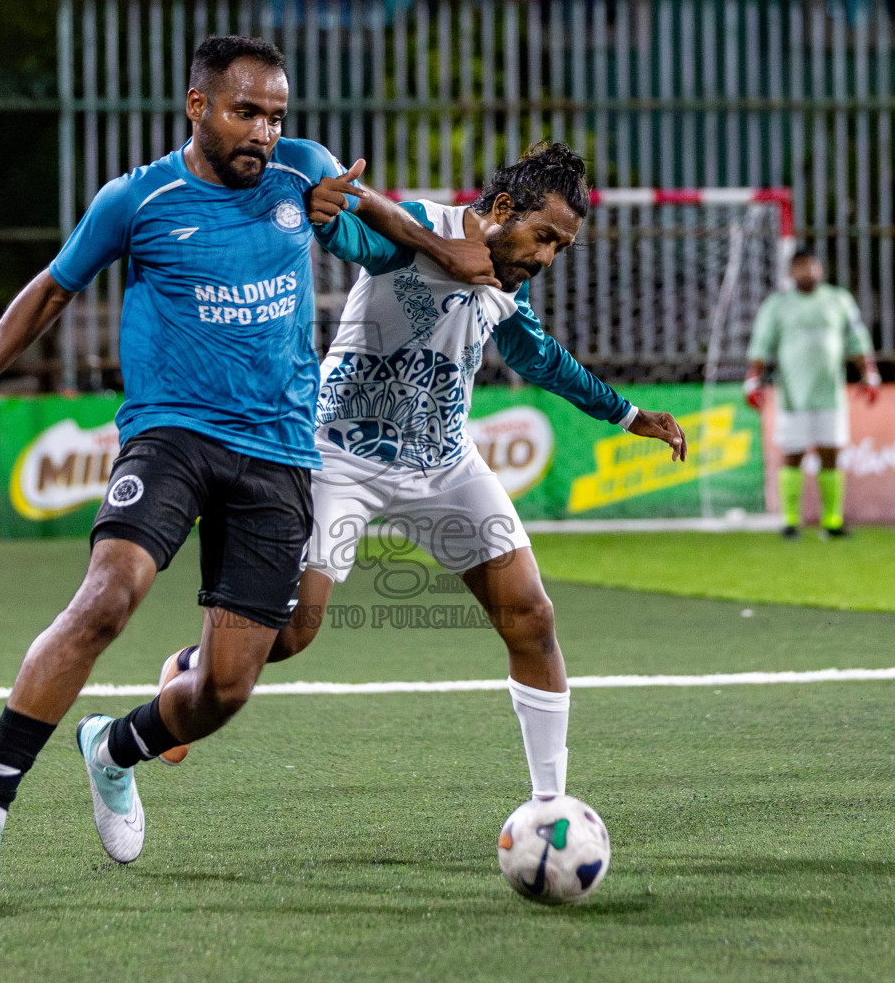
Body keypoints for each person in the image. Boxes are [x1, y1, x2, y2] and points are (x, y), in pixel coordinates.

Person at [0, 36, 497, 903]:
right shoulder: (138, 199)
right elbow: (48, 293)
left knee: (225, 687)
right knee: (108, 597)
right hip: (173, 433)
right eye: (245, 111)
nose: (263, 131)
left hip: (281, 454)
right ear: (198, 108)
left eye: (276, 115)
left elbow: (385, 212)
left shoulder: (302, 171)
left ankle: (114, 749)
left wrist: (442, 251)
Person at [154, 143, 689, 807]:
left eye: (561, 248)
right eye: (544, 236)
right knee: (291, 635)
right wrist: (322, 213)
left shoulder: (506, 289)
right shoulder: (414, 228)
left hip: (442, 464)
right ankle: (191, 668)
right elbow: (350, 230)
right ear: (500, 210)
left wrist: (627, 413)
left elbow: (544, 359)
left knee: (531, 616)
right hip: (340, 458)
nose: (547, 257)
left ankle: (551, 808)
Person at [744, 249, 878, 539]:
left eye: (812, 266)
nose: (808, 272)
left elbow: (857, 338)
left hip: (829, 392)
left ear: (821, 269)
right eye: (801, 267)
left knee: (831, 453)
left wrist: (869, 374)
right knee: (793, 454)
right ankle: (791, 521)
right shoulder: (778, 305)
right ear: (791, 273)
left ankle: (832, 521)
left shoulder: (838, 300)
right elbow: (761, 344)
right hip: (793, 394)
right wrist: (752, 380)